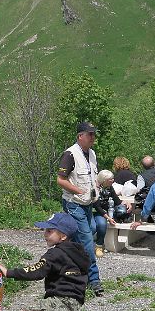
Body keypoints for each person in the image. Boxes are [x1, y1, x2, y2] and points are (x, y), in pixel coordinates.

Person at [0, 212, 89, 311]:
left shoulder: (55, 254)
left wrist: (8, 272)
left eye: (50, 231)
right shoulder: (80, 254)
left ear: (63, 236)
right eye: (45, 230)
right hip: (77, 307)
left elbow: (37, 271)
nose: (45, 234)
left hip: (60, 302)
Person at [56, 121, 103, 296]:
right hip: (74, 203)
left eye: (94, 134)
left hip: (87, 204)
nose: (93, 137)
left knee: (85, 235)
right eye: (90, 134)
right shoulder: (70, 154)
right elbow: (60, 180)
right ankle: (94, 280)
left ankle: (70, 272)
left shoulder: (92, 154)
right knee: (87, 242)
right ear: (80, 136)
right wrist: (78, 190)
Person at [92, 169, 122, 256]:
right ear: (104, 180)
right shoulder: (94, 188)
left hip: (102, 212)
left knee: (102, 225)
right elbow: (97, 206)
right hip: (93, 210)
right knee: (92, 228)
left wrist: (126, 204)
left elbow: (116, 200)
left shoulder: (109, 187)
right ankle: (85, 246)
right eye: (110, 179)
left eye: (113, 178)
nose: (113, 181)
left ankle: (99, 246)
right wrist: (108, 218)